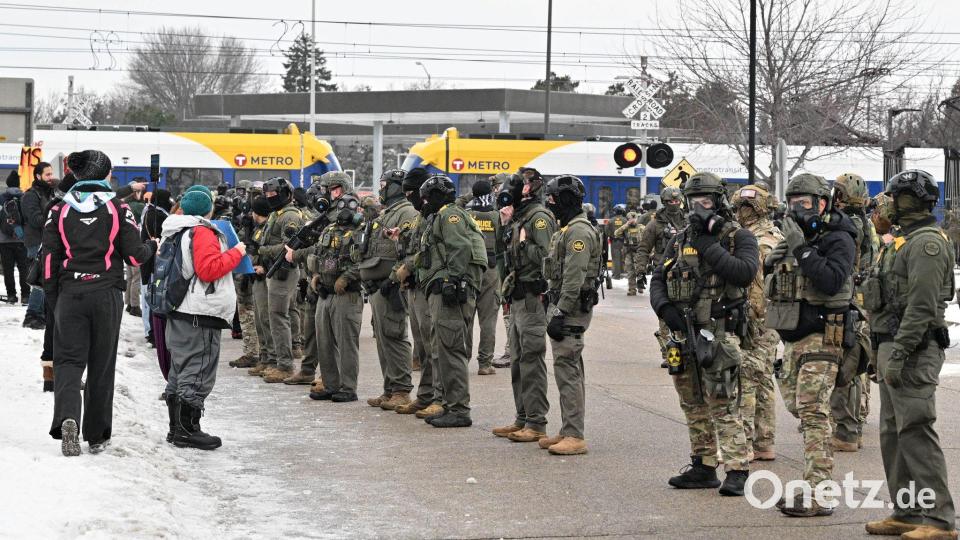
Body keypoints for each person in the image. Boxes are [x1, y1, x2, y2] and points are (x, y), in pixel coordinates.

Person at [862, 170, 957, 540]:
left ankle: (939, 521)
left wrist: (899, 353)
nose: (885, 201)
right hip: (892, 346)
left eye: (893, 195)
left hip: (914, 350)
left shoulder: (927, 244)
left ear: (911, 200)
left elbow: (920, 307)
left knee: (915, 431)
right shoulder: (900, 241)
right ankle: (907, 511)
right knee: (892, 433)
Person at [649, 172, 758, 497]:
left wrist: (709, 245)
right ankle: (703, 464)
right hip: (683, 334)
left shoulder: (738, 237)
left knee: (723, 403)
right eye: (694, 202)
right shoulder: (679, 237)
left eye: (706, 202)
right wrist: (664, 308)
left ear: (719, 201)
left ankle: (737, 468)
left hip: (719, 333)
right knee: (692, 403)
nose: (699, 207)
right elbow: (659, 276)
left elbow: (744, 272)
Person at [43, 150, 156, 456]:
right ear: (104, 174)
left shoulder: (59, 210)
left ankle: (68, 417)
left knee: (68, 362)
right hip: (106, 293)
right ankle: (97, 435)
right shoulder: (119, 209)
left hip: (70, 293)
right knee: (101, 365)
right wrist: (150, 245)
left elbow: (48, 262)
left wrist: (55, 301)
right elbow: (134, 256)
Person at [764, 173, 857, 516]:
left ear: (822, 204)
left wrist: (801, 248)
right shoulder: (794, 237)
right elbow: (767, 271)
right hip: (793, 337)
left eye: (804, 203)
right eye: (792, 203)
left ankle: (820, 494)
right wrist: (780, 253)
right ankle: (817, 478)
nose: (797, 209)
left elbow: (831, 280)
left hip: (823, 335)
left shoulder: (840, 237)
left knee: (814, 413)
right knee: (800, 409)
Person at [161, 188, 244, 450]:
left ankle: (176, 429)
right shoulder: (202, 231)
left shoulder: (175, 230)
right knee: (197, 371)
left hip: (180, 308)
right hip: (200, 312)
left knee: (180, 369)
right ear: (208, 209)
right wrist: (237, 252)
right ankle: (188, 429)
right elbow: (208, 270)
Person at [415, 174, 487, 428]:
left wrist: (451, 281)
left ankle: (459, 409)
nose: (423, 202)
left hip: (451, 291)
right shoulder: (441, 215)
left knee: (451, 347)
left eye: (426, 197)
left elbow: (460, 247)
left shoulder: (450, 215)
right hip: (442, 287)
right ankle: (448, 405)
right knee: (442, 348)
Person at [538, 175, 602, 455]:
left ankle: (575, 435)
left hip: (571, 310)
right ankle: (567, 429)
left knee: (569, 369)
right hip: (563, 306)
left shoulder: (578, 232)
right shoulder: (567, 229)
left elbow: (574, 278)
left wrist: (560, 311)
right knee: (566, 370)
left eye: (553, 200)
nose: (550, 205)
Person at [493, 169, 556, 442]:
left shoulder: (539, 218)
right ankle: (522, 418)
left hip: (533, 297)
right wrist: (507, 227)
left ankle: (536, 422)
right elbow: (505, 256)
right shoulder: (520, 217)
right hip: (517, 296)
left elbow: (546, 258)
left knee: (531, 359)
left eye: (523, 185)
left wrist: (524, 244)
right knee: (518, 361)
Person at [290, 171, 363, 402]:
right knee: (324, 343)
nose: (332, 197)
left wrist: (347, 278)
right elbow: (320, 255)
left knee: (346, 344)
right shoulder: (329, 228)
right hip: (324, 291)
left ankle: (348, 387)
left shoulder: (360, 227)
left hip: (346, 293)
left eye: (334, 190)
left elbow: (364, 259)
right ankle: (331, 384)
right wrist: (315, 276)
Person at [730, 184, 783, 461]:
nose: (739, 212)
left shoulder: (760, 240)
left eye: (745, 207)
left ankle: (746, 443)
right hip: (770, 319)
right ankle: (765, 442)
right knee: (763, 380)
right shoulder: (771, 235)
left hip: (757, 318)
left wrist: (749, 316)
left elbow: (758, 285)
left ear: (758, 209)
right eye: (738, 207)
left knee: (747, 378)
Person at [360, 169, 419, 409]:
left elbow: (409, 248)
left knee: (394, 336)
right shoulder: (388, 213)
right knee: (383, 339)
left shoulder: (406, 212)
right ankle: (390, 389)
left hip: (392, 286)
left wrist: (394, 278)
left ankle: (402, 390)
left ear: (396, 186)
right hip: (377, 287)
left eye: (385, 184)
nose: (381, 188)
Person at [829, 172, 879, 453]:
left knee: (845, 365)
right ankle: (856, 418)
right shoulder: (866, 223)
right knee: (857, 363)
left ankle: (847, 428)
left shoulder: (847, 225)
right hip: (863, 300)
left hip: (850, 299)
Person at [392, 168, 443, 417]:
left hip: (427, 286)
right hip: (415, 286)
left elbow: (431, 252)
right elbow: (415, 245)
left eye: (412, 192)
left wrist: (408, 266)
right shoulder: (421, 216)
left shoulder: (437, 215)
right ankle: (425, 396)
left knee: (432, 345)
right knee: (421, 347)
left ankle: (436, 396)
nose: (409, 197)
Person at [251, 177, 305, 383]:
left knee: (278, 316)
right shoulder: (277, 214)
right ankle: (276, 361)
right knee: (274, 316)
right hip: (274, 270)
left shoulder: (290, 216)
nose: (270, 199)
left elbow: (290, 246)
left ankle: (284, 365)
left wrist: (264, 250)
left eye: (274, 195)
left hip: (284, 271)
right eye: (268, 195)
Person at [637, 186, 687, 368]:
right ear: (664, 203)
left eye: (677, 201)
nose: (674, 205)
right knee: (666, 314)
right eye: (670, 202)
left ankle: (688, 347)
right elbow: (643, 248)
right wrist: (640, 271)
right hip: (664, 274)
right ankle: (669, 353)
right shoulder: (654, 224)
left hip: (687, 273)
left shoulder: (689, 220)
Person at [21, 161, 58, 330]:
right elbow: (36, 220)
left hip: (48, 242)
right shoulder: (31, 195)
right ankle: (32, 315)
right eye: (47, 174)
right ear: (38, 176)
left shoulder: (49, 193)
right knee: (39, 278)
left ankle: (41, 313)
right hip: (36, 242)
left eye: (52, 173)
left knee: (46, 277)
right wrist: (53, 211)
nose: (51, 177)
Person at [139, 189, 173, 346]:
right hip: (155, 262)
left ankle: (151, 332)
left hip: (149, 261)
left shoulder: (150, 212)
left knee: (150, 296)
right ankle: (153, 333)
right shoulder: (158, 216)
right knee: (154, 297)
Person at [0, 172, 29, 305]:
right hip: (22, 239)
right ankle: (25, 296)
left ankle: (11, 295)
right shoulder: (25, 198)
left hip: (4, 240)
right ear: (18, 184)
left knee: (8, 269)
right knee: (24, 268)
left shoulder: (1, 198)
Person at [615, 211, 645, 296]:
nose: (632, 221)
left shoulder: (641, 227)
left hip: (639, 252)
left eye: (634, 219)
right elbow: (616, 233)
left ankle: (640, 285)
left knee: (639, 270)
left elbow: (648, 238)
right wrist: (626, 225)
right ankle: (632, 289)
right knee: (630, 270)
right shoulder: (625, 228)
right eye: (630, 219)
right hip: (628, 251)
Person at [606, 204, 627, 279]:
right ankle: (622, 272)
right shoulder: (625, 220)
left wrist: (611, 236)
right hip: (623, 242)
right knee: (622, 257)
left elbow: (606, 232)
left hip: (614, 241)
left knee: (615, 258)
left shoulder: (611, 220)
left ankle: (616, 274)